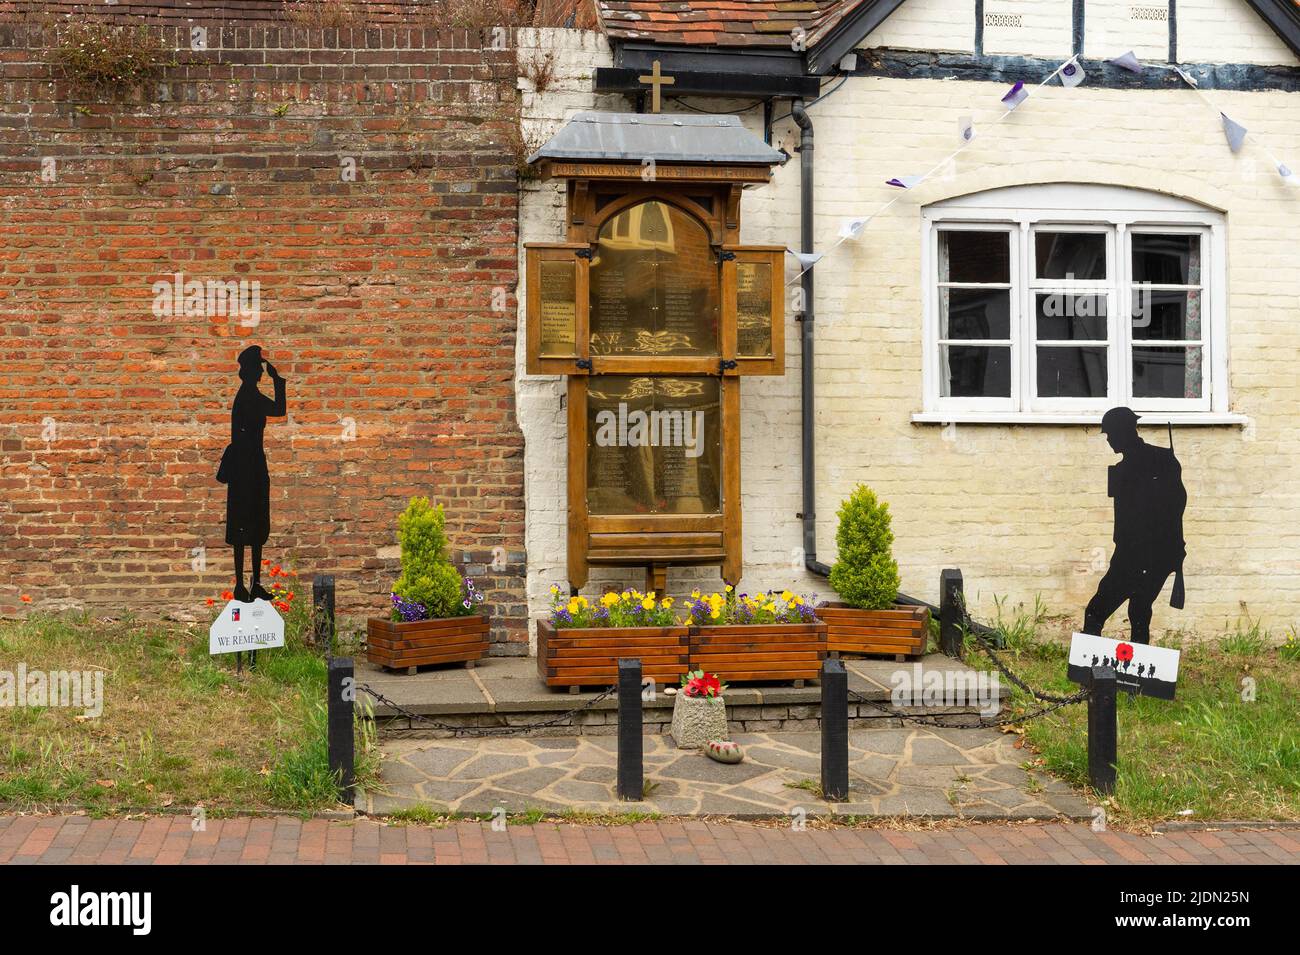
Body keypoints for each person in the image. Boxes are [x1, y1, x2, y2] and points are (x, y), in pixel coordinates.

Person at [1083, 407, 1186, 644]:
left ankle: (1089, 671)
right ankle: (1135, 678)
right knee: (1139, 612)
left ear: (1123, 432)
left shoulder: (1156, 462)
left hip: (1137, 555)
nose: (1108, 440)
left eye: (1110, 434)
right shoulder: (1159, 460)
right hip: (1151, 555)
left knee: (1096, 611)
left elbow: (1174, 505)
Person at [219, 345, 287, 602]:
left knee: (255, 524)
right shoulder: (249, 396)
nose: (261, 371)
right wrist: (278, 381)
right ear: (250, 370)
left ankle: (255, 583)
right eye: (258, 367)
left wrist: (276, 380)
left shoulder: (251, 394)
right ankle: (242, 584)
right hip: (247, 467)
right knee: (243, 526)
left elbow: (278, 410)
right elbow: (279, 409)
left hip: (253, 466)